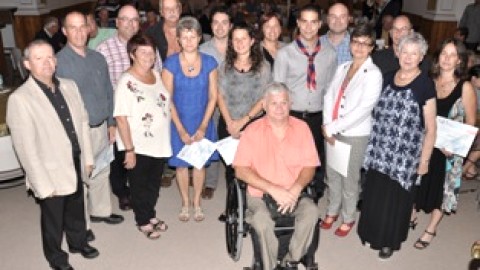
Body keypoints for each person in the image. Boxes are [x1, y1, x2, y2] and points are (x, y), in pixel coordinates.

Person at [7, 40, 99, 270]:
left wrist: (87, 158)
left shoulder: (70, 86)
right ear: (27, 64)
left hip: (75, 161)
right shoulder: (20, 99)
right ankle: (56, 257)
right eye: (39, 58)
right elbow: (25, 149)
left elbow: (83, 122)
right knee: (53, 220)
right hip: (49, 170)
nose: (47, 63)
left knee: (77, 208)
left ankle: (78, 243)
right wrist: (42, 185)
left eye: (50, 57)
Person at [357, 32, 436, 259]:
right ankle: (368, 233)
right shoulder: (388, 76)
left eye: (414, 53)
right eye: (405, 52)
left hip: (404, 157)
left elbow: (431, 128)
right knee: (374, 194)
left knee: (395, 200)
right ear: (398, 53)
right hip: (379, 150)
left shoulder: (425, 85)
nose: (408, 57)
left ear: (421, 57)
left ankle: (388, 242)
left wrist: (425, 160)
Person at [233, 82, 320, 270]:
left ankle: (291, 260)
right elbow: (240, 169)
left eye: (283, 102)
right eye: (274, 103)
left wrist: (296, 189)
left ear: (290, 104)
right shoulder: (252, 131)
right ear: (264, 105)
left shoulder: (302, 128)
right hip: (260, 194)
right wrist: (273, 190)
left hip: (293, 192)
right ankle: (269, 265)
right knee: (261, 222)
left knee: (312, 212)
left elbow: (310, 166)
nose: (279, 108)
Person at [56, 11, 124, 236]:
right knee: (82, 177)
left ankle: (101, 211)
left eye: (81, 26)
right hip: (78, 131)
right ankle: (82, 225)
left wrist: (112, 122)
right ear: (64, 31)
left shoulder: (97, 58)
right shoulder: (58, 62)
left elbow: (108, 90)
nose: (78, 32)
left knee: (102, 170)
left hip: (102, 126)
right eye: (72, 27)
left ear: (89, 29)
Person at [413, 39, 477, 249]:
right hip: (426, 142)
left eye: (452, 55)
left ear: (459, 60)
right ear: (437, 57)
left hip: (449, 149)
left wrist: (456, 146)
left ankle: (431, 228)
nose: (447, 59)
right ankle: (413, 212)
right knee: (420, 181)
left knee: (442, 190)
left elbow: (470, 122)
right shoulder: (428, 80)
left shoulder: (465, 87)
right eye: (444, 54)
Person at [97, 4, 162, 211]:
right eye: (126, 19)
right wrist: (111, 121)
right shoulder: (105, 49)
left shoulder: (150, 47)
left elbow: (159, 79)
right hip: (120, 115)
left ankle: (140, 194)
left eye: (135, 20)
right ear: (117, 23)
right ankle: (122, 193)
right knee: (119, 159)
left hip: (145, 118)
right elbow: (103, 89)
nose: (131, 24)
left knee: (142, 161)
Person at [321, 24, 382, 237]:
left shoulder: (373, 74)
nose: (360, 47)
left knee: (349, 178)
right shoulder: (343, 67)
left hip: (355, 134)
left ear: (372, 47)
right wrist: (328, 126)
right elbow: (329, 96)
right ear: (350, 44)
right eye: (356, 42)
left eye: (365, 43)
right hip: (333, 130)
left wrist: (332, 127)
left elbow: (363, 110)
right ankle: (332, 210)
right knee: (333, 174)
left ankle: (348, 217)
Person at [274, 4, 337, 198]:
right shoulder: (285, 54)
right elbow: (278, 89)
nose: (308, 27)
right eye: (304, 22)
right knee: (289, 157)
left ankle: (313, 196)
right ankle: (287, 193)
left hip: (317, 115)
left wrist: (329, 120)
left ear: (320, 24)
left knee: (314, 157)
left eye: (313, 22)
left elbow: (330, 90)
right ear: (298, 24)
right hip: (293, 114)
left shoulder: (329, 54)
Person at [114, 33, 172, 239]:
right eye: (143, 52)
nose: (149, 56)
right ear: (132, 54)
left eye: (151, 52)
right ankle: (143, 221)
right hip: (137, 144)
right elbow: (121, 117)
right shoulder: (126, 81)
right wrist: (129, 150)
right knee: (139, 185)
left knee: (153, 184)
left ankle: (150, 214)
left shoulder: (156, 74)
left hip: (158, 142)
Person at [161, 16, 218, 222]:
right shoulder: (170, 63)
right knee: (182, 165)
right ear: (178, 39)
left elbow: (213, 97)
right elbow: (167, 99)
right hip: (178, 121)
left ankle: (197, 203)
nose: (188, 41)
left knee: (199, 164)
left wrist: (203, 126)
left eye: (192, 36)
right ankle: (185, 202)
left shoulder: (210, 62)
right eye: (184, 37)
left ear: (199, 38)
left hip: (202, 120)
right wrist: (180, 129)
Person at [217, 22, 272, 199]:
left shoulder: (263, 67)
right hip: (228, 124)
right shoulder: (224, 66)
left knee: (253, 168)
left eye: (244, 39)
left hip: (254, 124)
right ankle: (232, 205)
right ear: (231, 42)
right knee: (231, 168)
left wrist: (244, 121)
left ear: (252, 41)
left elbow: (265, 98)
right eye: (235, 39)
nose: (239, 43)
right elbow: (219, 95)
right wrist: (230, 123)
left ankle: (252, 206)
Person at [199, 5, 232, 199]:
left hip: (232, 103)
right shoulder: (202, 50)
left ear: (230, 25)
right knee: (210, 140)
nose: (220, 27)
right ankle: (210, 182)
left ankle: (234, 178)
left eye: (224, 22)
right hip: (210, 102)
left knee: (229, 140)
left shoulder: (238, 47)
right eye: (216, 23)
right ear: (211, 25)